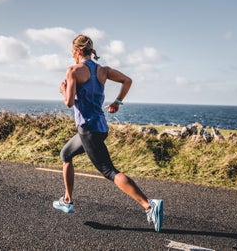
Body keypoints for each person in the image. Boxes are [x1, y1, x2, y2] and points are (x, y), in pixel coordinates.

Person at [53, 34, 164, 232]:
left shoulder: (73, 71)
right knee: (66, 154)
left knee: (109, 171)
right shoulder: (103, 70)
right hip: (101, 127)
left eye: (72, 53)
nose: (72, 57)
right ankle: (67, 200)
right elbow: (127, 81)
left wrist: (63, 90)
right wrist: (117, 102)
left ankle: (149, 205)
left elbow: (69, 102)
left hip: (88, 129)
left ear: (78, 51)